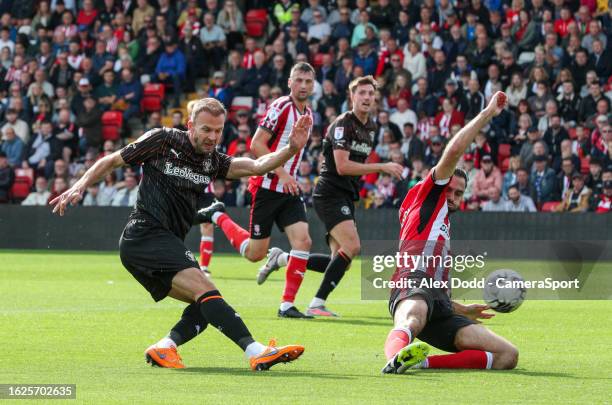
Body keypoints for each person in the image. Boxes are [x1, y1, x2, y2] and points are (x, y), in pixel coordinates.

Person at [50, 98, 309, 371]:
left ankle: (165, 347)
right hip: (145, 233)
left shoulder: (213, 161)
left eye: (218, 131)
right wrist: (79, 185)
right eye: (206, 129)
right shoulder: (163, 140)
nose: (212, 137)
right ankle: (256, 351)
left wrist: (291, 148)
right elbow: (113, 160)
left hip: (163, 242)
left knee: (208, 303)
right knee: (208, 294)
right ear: (190, 126)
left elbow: (257, 166)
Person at [382, 92, 518, 374]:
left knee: (507, 355)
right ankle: (394, 357)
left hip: (440, 303)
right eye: (450, 189)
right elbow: (454, 151)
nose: (454, 196)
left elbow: (435, 293)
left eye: (459, 192)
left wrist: (460, 308)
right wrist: (487, 114)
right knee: (412, 318)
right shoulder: (427, 196)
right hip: (412, 283)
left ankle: (420, 362)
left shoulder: (438, 219)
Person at [259, 76, 403, 317]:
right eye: (362, 93)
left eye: (370, 94)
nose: (367, 98)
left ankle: (283, 258)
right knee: (352, 246)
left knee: (339, 261)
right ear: (352, 96)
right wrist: (382, 167)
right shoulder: (342, 124)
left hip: (346, 194)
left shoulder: (371, 127)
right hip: (330, 192)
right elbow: (343, 166)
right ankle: (316, 304)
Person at [196, 63, 317, 319]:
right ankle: (218, 215)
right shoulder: (281, 107)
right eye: (299, 80)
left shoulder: (309, 113)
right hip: (266, 187)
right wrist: (282, 173)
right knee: (254, 254)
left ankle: (287, 305)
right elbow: (256, 144)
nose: (304, 85)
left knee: (303, 241)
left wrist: (290, 176)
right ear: (290, 83)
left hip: (289, 188)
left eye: (308, 80)